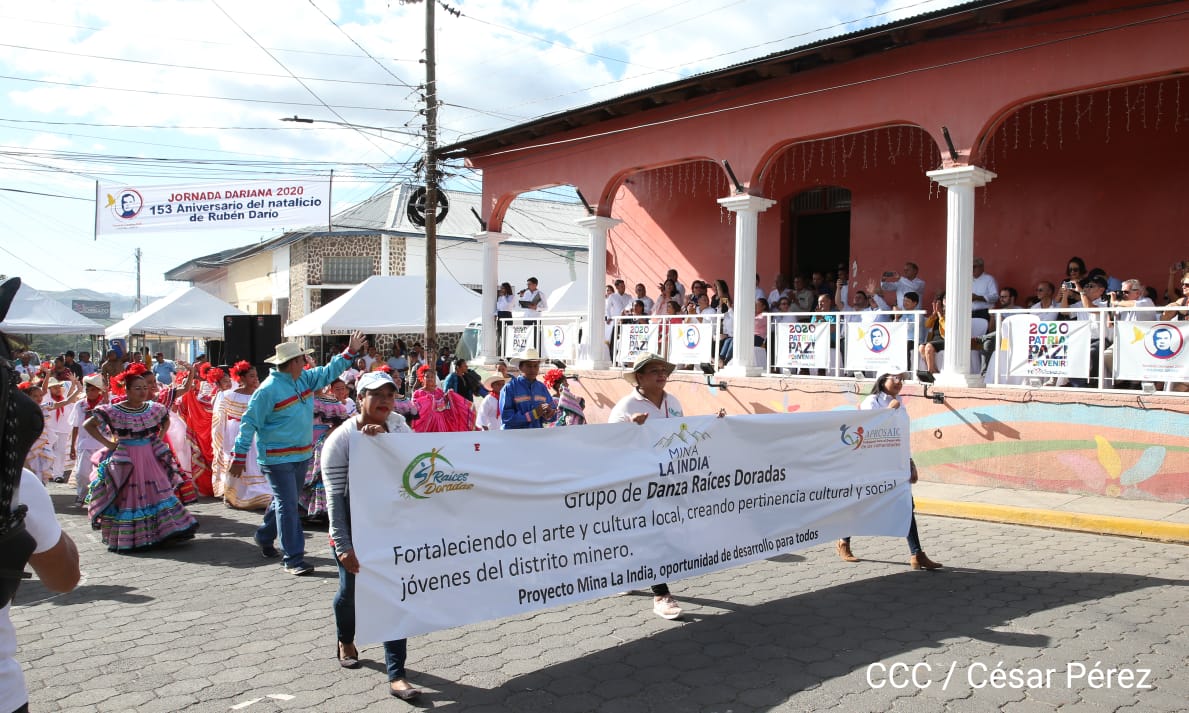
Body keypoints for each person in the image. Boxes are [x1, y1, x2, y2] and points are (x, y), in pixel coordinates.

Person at [321, 371, 422, 701]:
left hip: (390, 525)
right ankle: (345, 638)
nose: (384, 401)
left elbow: (415, 466)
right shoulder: (340, 439)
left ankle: (397, 675)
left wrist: (385, 443)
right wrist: (344, 544)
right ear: (360, 398)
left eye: (390, 395)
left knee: (393, 596)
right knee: (350, 592)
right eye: (376, 394)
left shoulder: (398, 427)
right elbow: (335, 498)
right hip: (353, 526)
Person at [230, 332, 366, 576]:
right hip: (276, 458)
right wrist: (239, 456)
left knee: (286, 501)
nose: (306, 361)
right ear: (293, 362)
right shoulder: (268, 390)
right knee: (288, 504)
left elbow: (328, 371)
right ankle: (293, 558)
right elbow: (249, 422)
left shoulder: (304, 379)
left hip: (302, 455)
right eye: (302, 358)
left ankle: (264, 535)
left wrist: (350, 352)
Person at [83, 364, 199, 551]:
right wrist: (109, 444)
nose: (143, 391)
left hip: (149, 456)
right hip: (126, 459)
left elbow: (165, 419)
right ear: (126, 390)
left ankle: (165, 531)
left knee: (159, 490)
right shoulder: (114, 410)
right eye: (137, 388)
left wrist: (159, 438)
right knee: (131, 495)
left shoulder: (153, 408)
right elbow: (89, 424)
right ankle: (136, 537)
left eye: (145, 387)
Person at [607, 353, 687, 620]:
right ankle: (661, 594)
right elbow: (610, 444)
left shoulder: (673, 402)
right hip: (636, 481)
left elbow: (683, 434)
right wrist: (630, 429)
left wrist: (716, 423)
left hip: (666, 478)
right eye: (654, 371)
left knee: (649, 531)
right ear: (639, 377)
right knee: (652, 533)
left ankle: (626, 573)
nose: (662, 375)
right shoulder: (625, 406)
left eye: (663, 370)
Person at [836, 372, 942, 570]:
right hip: (871, 465)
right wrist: (889, 410)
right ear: (882, 379)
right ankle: (844, 541)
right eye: (895, 378)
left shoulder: (899, 402)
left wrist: (909, 462)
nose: (900, 382)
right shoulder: (872, 401)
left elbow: (901, 435)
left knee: (906, 505)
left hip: (895, 465)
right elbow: (869, 429)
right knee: (859, 504)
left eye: (902, 379)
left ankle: (917, 554)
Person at [211, 362, 272, 511]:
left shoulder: (260, 394)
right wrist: (220, 439)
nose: (255, 379)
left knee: (254, 463)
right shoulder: (229, 395)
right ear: (242, 378)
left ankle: (258, 493)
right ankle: (234, 493)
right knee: (238, 462)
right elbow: (219, 418)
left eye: (256, 376)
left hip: (255, 433)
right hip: (234, 433)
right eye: (251, 376)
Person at [301, 379, 355, 520]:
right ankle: (304, 510)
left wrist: (327, 434)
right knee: (304, 474)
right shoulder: (302, 400)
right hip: (304, 441)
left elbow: (342, 422)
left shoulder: (331, 402)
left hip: (322, 442)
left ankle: (322, 510)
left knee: (320, 474)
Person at [68, 374, 109, 506]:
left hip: (103, 444)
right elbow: (75, 426)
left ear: (99, 391)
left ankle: (99, 497)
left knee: (101, 473)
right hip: (84, 444)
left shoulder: (105, 404)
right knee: (82, 473)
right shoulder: (80, 405)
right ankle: (82, 495)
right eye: (87, 390)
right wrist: (72, 446)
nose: (90, 393)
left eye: (93, 390)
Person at [499, 348, 555, 429]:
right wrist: (533, 414)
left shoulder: (542, 387)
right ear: (520, 367)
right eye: (529, 366)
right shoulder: (509, 388)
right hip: (515, 436)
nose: (532, 369)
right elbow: (507, 418)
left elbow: (552, 413)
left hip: (536, 435)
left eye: (535, 366)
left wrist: (549, 414)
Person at [41, 375, 82, 484]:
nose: (58, 389)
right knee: (47, 452)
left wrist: (75, 385)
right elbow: (44, 388)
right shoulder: (47, 399)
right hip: (49, 430)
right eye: (54, 387)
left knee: (60, 453)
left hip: (63, 430)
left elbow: (70, 398)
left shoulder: (64, 399)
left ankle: (58, 475)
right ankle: (46, 473)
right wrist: (47, 375)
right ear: (50, 390)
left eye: (59, 387)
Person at [411, 365, 475, 433]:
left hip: (440, 422)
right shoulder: (418, 393)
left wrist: (449, 397)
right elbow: (415, 409)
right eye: (427, 377)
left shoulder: (439, 391)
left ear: (435, 379)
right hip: (425, 424)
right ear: (422, 378)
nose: (430, 379)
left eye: (432, 377)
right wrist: (430, 401)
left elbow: (444, 406)